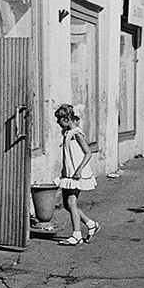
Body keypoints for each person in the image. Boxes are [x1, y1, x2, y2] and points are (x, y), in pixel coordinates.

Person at [53, 104, 100, 246]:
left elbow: (88, 152)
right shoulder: (67, 133)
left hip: (77, 173)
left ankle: (76, 235)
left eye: (59, 119)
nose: (57, 122)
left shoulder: (77, 133)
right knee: (68, 205)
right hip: (69, 173)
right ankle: (91, 224)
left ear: (67, 118)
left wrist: (79, 170)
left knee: (71, 202)